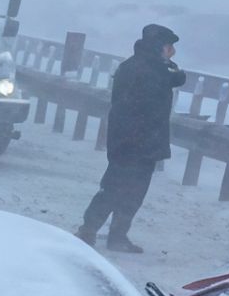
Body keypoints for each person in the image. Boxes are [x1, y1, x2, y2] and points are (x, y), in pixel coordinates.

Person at [78, 24, 185, 253]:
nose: (172, 53)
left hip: (141, 142)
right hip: (132, 142)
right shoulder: (145, 70)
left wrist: (168, 66)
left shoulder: (146, 66)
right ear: (158, 47)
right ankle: (89, 230)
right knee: (115, 188)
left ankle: (114, 235)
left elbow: (178, 78)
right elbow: (169, 83)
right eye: (169, 47)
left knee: (133, 192)